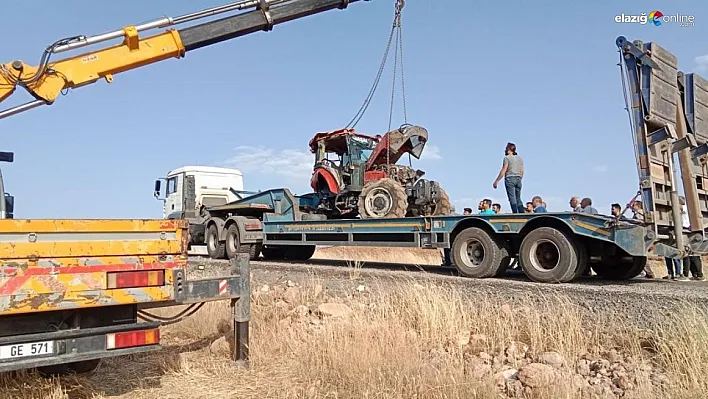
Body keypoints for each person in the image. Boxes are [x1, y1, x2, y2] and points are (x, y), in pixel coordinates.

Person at [493, 142, 524, 213]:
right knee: (518, 198)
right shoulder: (520, 158)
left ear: (509, 149)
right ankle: (521, 212)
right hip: (518, 178)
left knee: (512, 197)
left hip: (510, 178)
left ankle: (515, 213)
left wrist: (497, 181)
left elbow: (504, 169)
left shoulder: (507, 158)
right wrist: (520, 178)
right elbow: (522, 170)